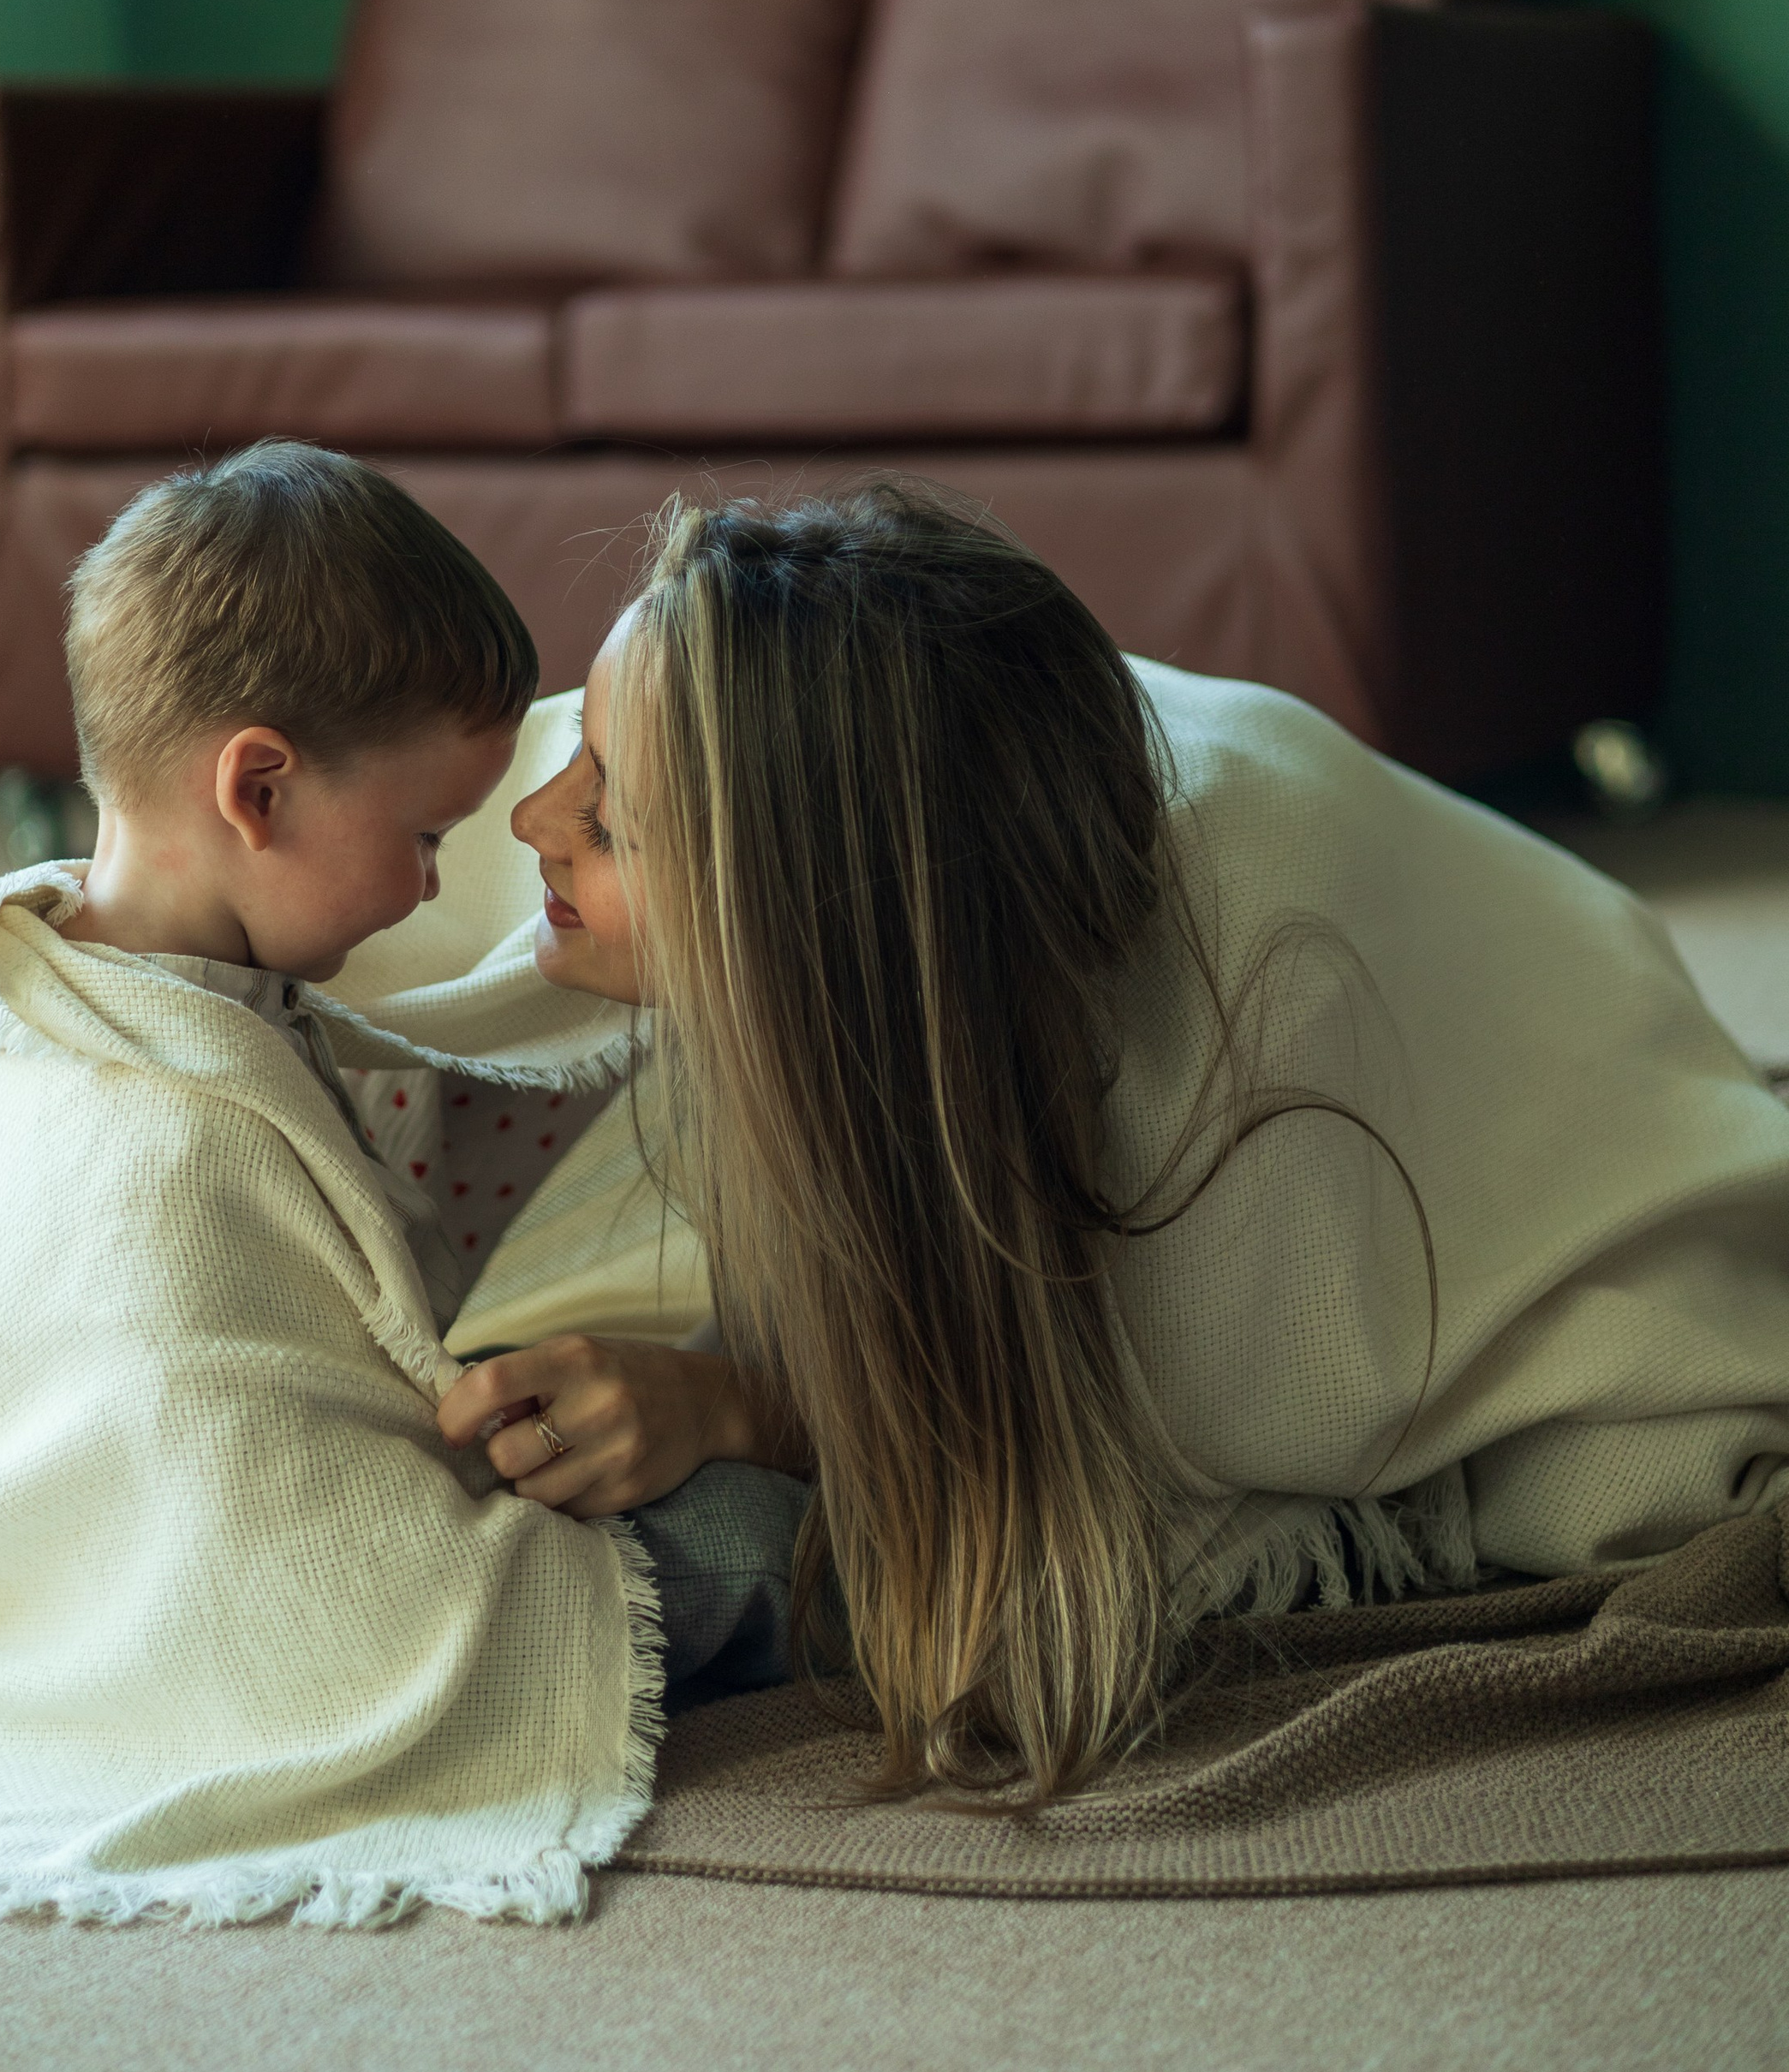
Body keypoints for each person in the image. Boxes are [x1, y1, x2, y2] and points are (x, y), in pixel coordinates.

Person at [413, 480, 1789, 1806]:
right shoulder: (886, 768)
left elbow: (1042, 1476)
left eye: (612, 818)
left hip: (1594, 1175)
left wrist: (732, 1409)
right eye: (578, 752)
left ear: (812, 934)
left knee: (797, 1573)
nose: (534, 821)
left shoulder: (1219, 1110)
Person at [0, 445, 666, 1927]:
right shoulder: (144, 1126)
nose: (437, 887)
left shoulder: (97, 986)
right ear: (259, 788)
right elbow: (196, 1413)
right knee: (719, 1554)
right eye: (426, 839)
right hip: (195, 1547)